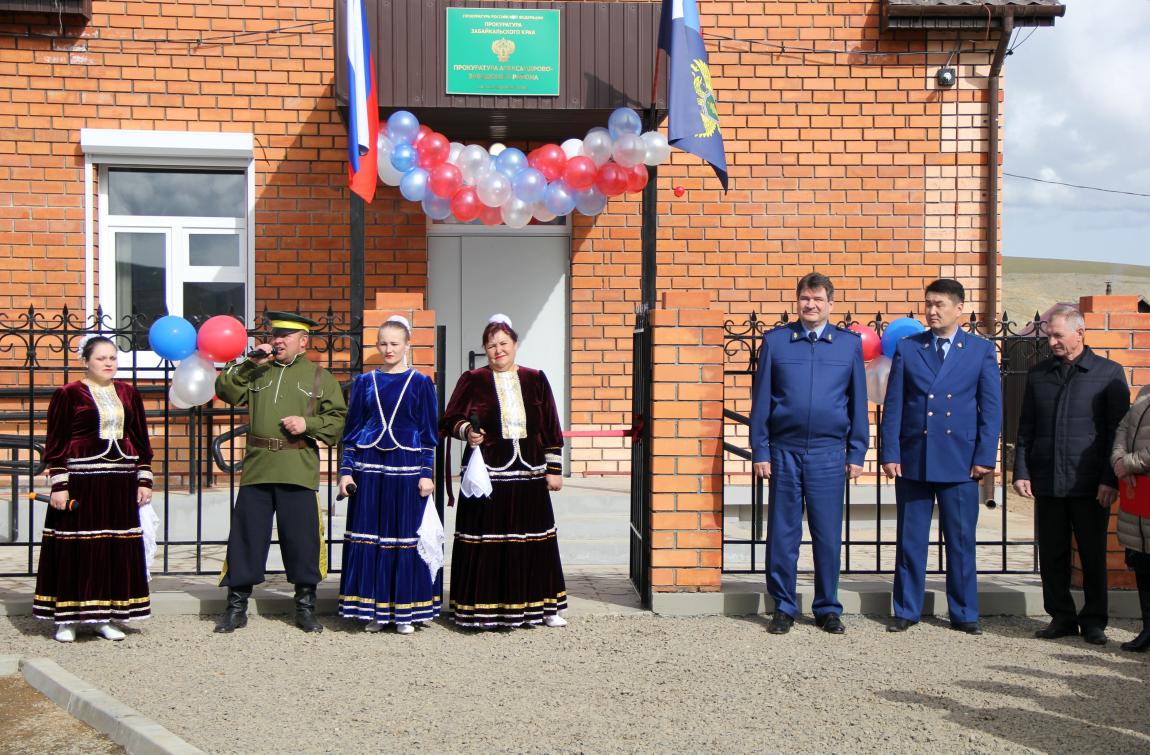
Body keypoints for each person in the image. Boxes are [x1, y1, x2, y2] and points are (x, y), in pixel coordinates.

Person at [881, 279, 1002, 635]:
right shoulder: (909, 347)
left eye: (940, 305)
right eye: (928, 304)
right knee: (910, 539)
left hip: (961, 460)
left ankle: (964, 612)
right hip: (915, 457)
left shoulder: (979, 350)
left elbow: (990, 409)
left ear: (959, 308)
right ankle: (906, 609)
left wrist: (985, 457)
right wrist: (890, 451)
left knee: (961, 540)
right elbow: (894, 405)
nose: (932, 311)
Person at [213, 312, 347, 634]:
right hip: (258, 468)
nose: (277, 340)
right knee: (246, 539)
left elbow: (338, 420)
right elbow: (226, 390)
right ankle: (236, 607)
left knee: (302, 541)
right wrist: (249, 362)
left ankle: (305, 607)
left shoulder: (319, 377)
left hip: (297, 468)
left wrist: (308, 424)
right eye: (275, 335)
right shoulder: (257, 372)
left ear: (303, 341)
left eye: (286, 336)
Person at [750, 272, 868, 635]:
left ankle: (827, 608)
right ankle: (783, 607)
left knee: (828, 534)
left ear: (830, 304)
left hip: (829, 454)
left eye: (818, 299)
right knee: (783, 534)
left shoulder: (848, 345)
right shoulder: (776, 342)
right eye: (805, 298)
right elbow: (762, 400)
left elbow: (858, 403)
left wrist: (857, 452)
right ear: (796, 301)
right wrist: (760, 450)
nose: (810, 305)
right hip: (784, 452)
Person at [440, 314, 568, 629]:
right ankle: (482, 610)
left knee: (534, 540)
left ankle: (542, 608)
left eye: (503, 344)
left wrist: (553, 469)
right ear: (485, 349)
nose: (498, 350)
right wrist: (467, 430)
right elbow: (448, 420)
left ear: (515, 344)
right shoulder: (473, 379)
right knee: (487, 540)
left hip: (529, 472)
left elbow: (550, 425)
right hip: (488, 474)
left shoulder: (535, 378)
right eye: (492, 345)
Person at [1013, 305, 1129, 646]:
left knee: (1092, 554)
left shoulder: (1108, 373)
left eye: (1058, 335)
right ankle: (1061, 617)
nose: (1051, 342)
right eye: (1049, 335)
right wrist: (1022, 471)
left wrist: (1110, 479)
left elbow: (1117, 433)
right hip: (1047, 480)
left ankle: (1094, 621)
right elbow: (1026, 429)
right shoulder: (1038, 374)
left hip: (1090, 483)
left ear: (1080, 333)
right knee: (1051, 553)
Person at [34, 336, 154, 642]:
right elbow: (56, 441)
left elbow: (140, 439)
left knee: (113, 547)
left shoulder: (128, 393)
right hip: (82, 481)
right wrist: (60, 484)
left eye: (112, 358)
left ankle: (104, 616)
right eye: (101, 358)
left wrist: (144, 477)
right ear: (86, 361)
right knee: (78, 547)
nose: (108, 363)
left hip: (119, 479)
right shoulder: (69, 394)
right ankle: (67, 620)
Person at [337, 316, 441, 634]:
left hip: (407, 469)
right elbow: (352, 431)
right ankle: (374, 611)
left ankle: (406, 612)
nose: (388, 349)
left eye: (395, 343)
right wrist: (345, 472)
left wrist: (427, 473)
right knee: (372, 537)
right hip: (370, 468)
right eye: (383, 343)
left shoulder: (421, 383)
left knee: (405, 538)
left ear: (407, 345)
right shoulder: (364, 383)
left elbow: (428, 434)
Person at [1113, 383, 1150, 652]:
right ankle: (1148, 629)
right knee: (1143, 564)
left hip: (1138, 477)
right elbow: (1123, 428)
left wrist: (1128, 463)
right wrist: (1118, 459)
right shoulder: (1146, 391)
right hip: (1138, 494)